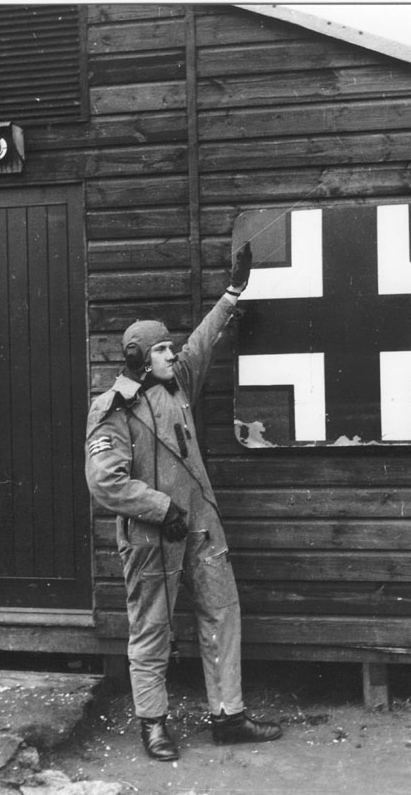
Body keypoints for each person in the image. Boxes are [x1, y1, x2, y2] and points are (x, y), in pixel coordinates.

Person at [85, 243, 282, 762]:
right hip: (153, 538)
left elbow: (203, 340)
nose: (174, 355)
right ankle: (153, 724)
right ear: (137, 358)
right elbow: (105, 481)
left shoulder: (178, 383)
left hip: (200, 528)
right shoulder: (113, 411)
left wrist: (233, 292)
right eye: (162, 350)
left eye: (172, 350)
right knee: (151, 629)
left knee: (223, 613)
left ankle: (229, 715)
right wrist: (161, 508)